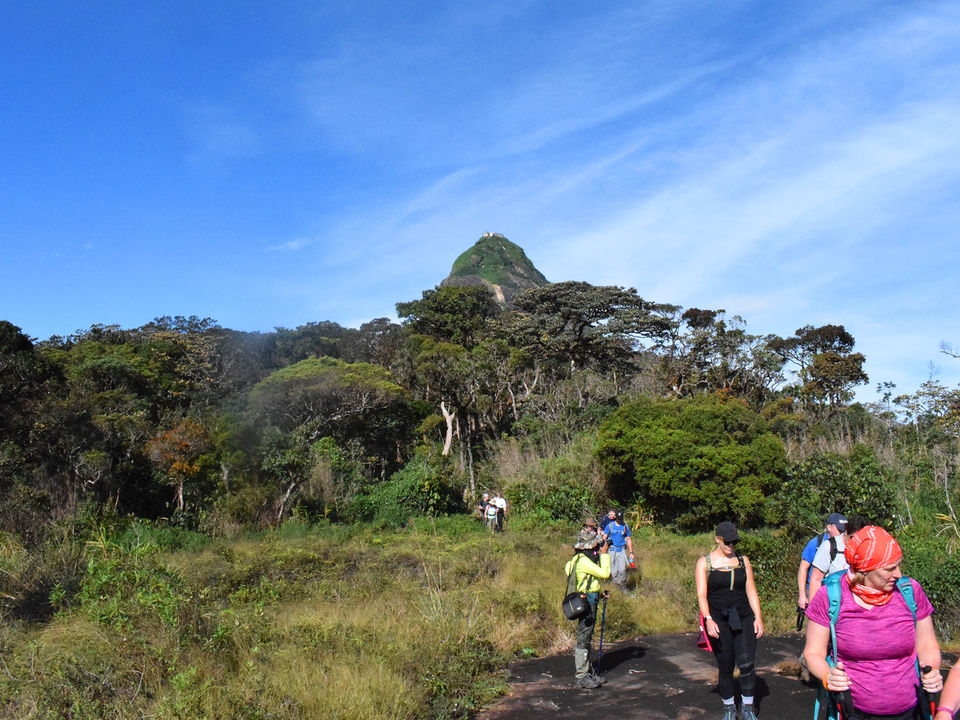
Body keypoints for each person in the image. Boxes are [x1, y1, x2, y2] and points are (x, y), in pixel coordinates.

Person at [804, 525, 943, 720]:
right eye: (889, 569)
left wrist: (932, 670)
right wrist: (828, 677)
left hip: (911, 711)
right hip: (854, 711)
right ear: (864, 570)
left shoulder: (910, 591)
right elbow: (813, 653)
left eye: (898, 565)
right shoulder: (830, 597)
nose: (899, 574)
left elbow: (927, 645)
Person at [695, 521, 764, 720]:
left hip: (743, 615)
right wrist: (708, 619)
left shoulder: (743, 560)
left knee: (747, 663)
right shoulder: (704, 563)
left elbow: (751, 590)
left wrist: (758, 616)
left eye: (735, 542)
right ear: (718, 539)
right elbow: (701, 595)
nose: (732, 546)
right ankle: (729, 708)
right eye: (728, 542)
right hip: (718, 618)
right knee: (726, 664)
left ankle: (748, 708)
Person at [564, 525, 611, 689]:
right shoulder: (584, 561)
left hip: (584, 599)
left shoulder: (575, 560)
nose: (598, 549)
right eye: (596, 547)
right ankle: (581, 675)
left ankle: (586, 670)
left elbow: (578, 577)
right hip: (587, 602)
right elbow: (605, 574)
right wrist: (604, 556)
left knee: (586, 635)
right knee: (584, 637)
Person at [798, 513, 847, 611]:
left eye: (844, 531)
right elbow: (803, 569)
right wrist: (802, 595)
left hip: (837, 592)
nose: (843, 534)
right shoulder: (816, 543)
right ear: (829, 528)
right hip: (816, 591)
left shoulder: (846, 543)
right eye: (840, 530)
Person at [601, 509, 634, 592]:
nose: (619, 521)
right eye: (617, 519)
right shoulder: (610, 525)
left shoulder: (625, 526)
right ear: (615, 518)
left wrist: (631, 553)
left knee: (622, 570)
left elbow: (628, 539)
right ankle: (616, 587)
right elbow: (604, 536)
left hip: (621, 550)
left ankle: (623, 586)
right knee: (614, 571)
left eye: (620, 519)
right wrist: (603, 545)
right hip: (612, 550)